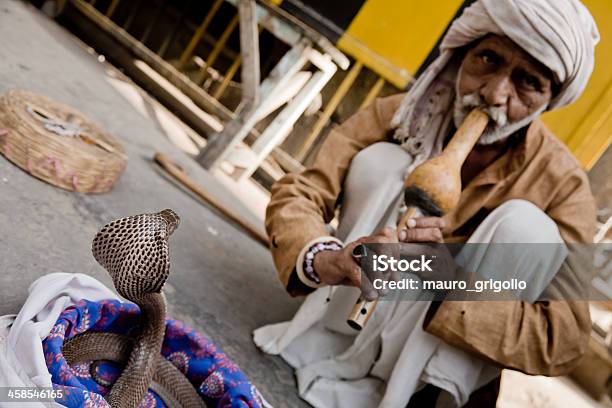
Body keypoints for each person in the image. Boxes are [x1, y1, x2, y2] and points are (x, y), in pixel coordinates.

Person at [254, 0, 600, 406]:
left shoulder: (564, 184)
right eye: (487, 59)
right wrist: (327, 259)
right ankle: (333, 337)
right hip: (349, 315)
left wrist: (445, 277)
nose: (494, 94)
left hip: (436, 368)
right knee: (383, 163)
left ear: (549, 100)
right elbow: (302, 192)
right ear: (462, 52)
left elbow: (564, 338)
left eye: (528, 82)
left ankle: (423, 387)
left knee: (527, 228)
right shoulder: (404, 113)